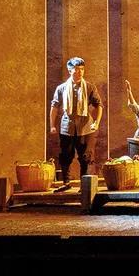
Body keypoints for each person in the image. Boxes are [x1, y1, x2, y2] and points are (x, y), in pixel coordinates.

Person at [49, 57, 103, 190]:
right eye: (76, 69)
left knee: (86, 157)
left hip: (85, 127)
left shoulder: (89, 87)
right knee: (65, 155)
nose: (80, 72)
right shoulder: (62, 88)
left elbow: (99, 105)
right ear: (70, 70)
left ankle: (85, 185)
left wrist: (96, 122)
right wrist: (52, 125)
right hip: (67, 127)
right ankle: (66, 183)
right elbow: (54, 106)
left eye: (82, 69)